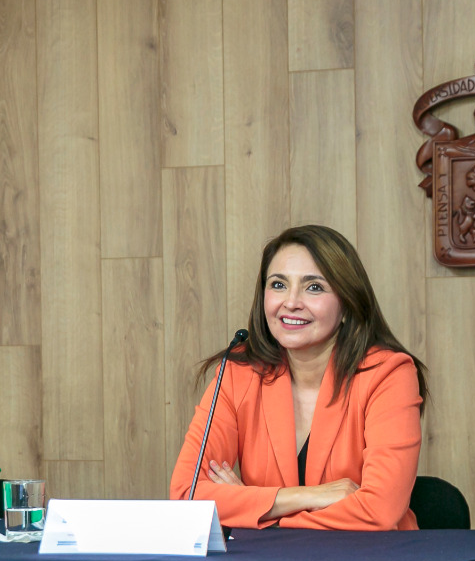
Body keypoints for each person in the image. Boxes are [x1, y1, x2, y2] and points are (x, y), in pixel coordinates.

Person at [168, 225, 426, 530]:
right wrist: (307, 497)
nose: (291, 302)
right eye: (278, 285)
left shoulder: (388, 374)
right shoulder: (237, 375)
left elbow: (378, 510)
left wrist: (257, 509)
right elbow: (186, 495)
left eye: (314, 287)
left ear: (347, 304)